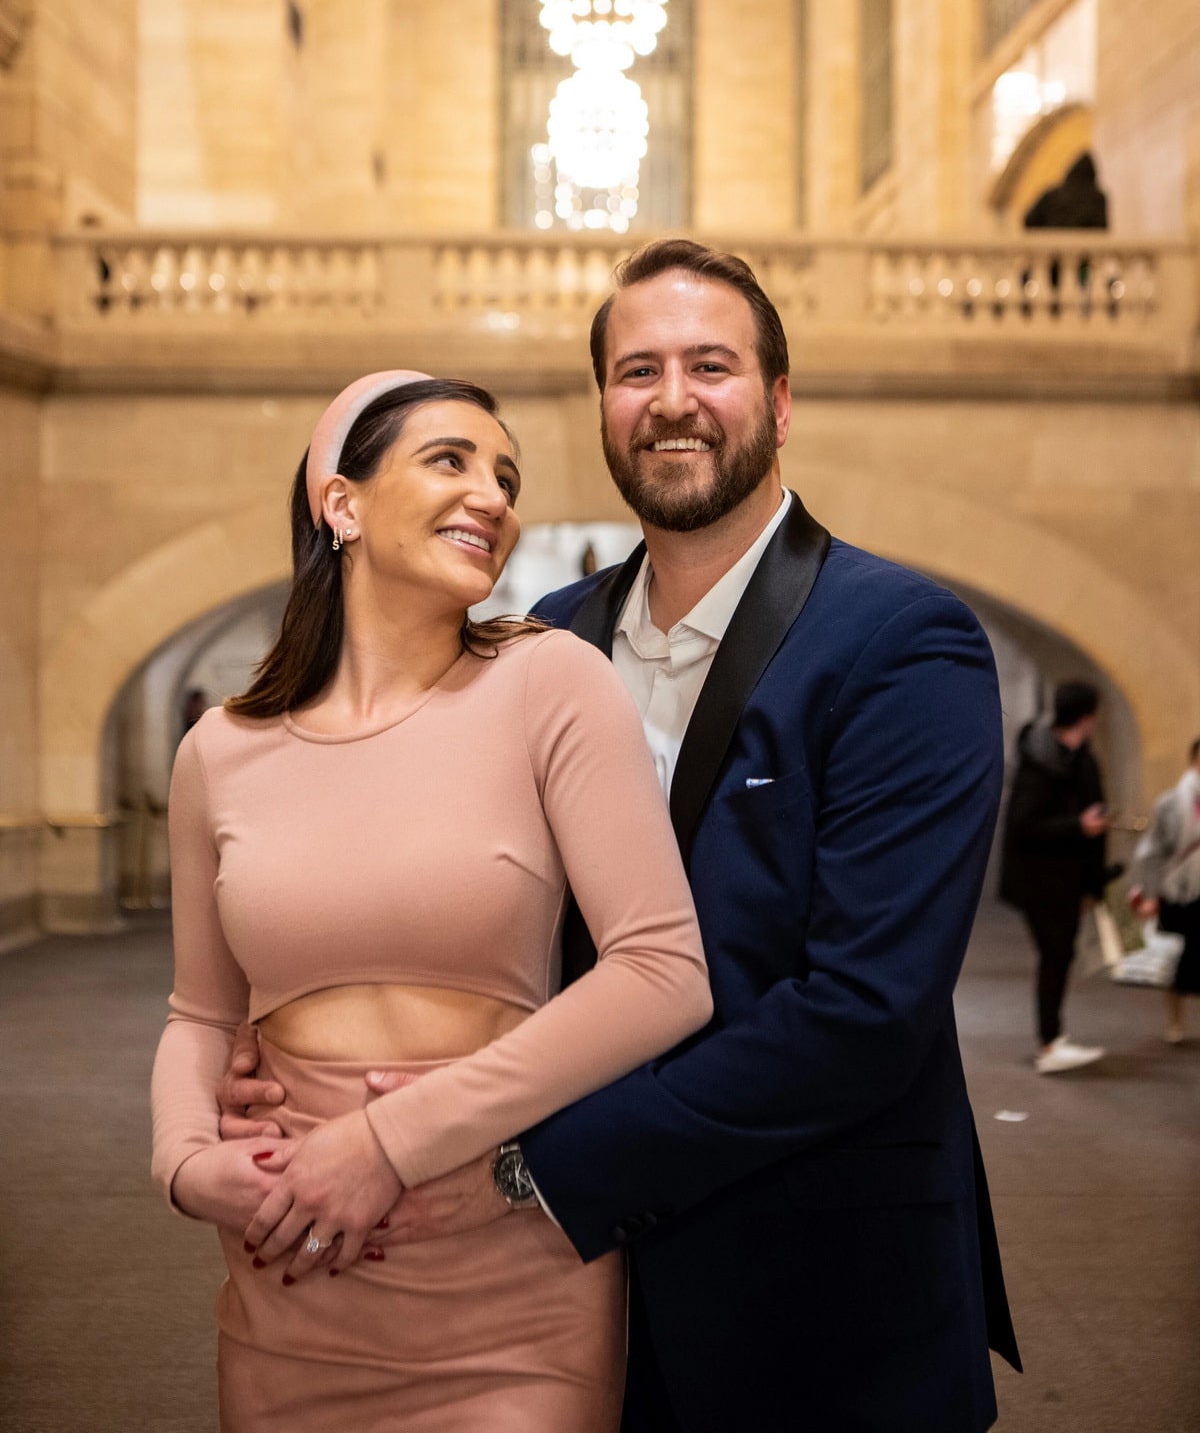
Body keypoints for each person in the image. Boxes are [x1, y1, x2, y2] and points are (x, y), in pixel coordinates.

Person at [223, 241, 1020, 1433]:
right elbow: (466, 903)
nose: (673, 400)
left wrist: (532, 1166)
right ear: (603, 405)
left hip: (814, 1293)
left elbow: (862, 1012)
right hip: (561, 1302)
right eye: (636, 371)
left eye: (712, 366)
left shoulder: (903, 642)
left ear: (780, 403)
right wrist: (295, 1039)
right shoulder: (542, 638)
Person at [150, 369, 712, 1431]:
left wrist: (387, 1142)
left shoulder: (552, 683)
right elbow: (202, 1014)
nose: (495, 497)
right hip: (292, 1255)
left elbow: (663, 974)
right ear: (341, 501)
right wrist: (186, 1165)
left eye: (506, 475)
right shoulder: (218, 751)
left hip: (500, 1251)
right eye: (450, 461)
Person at [999, 680, 1111, 1072]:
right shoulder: (1041, 765)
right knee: (1056, 955)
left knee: (1059, 956)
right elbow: (1023, 826)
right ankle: (1049, 1043)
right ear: (1086, 716)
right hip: (1041, 881)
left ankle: (1052, 1039)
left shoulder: (1080, 759)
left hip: (1066, 878)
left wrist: (1096, 880)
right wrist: (1077, 826)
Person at [1129, 737, 1200, 1043]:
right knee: (1176, 956)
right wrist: (1150, 893)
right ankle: (1176, 1020)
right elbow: (1152, 851)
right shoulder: (1171, 802)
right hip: (1178, 888)